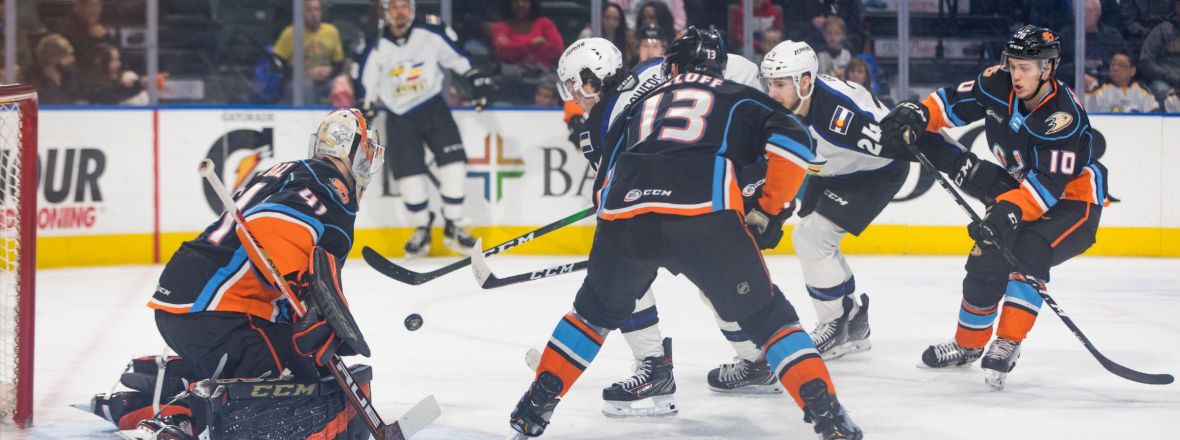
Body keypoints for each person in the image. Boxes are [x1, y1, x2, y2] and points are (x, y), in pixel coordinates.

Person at [510, 29, 862, 440]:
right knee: (770, 319)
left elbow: (604, 181)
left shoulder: (638, 105)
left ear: (672, 67)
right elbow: (794, 143)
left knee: (590, 317)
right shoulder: (738, 94)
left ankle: (534, 408)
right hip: (704, 219)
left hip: (626, 218)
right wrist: (769, 210)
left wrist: (619, 234)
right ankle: (826, 412)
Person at [558, 35, 779, 415]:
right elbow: (735, 70)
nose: (573, 96)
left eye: (573, 87)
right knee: (717, 280)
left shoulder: (597, 126)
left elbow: (617, 199)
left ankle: (653, 368)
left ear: (590, 80)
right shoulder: (654, 69)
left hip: (683, 198)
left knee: (626, 275)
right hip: (735, 176)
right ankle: (759, 360)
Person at [879, 25, 1108, 390]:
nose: (1016, 75)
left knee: (1029, 249)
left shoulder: (1063, 118)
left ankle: (1008, 341)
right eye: (1013, 64)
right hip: (1022, 188)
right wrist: (919, 114)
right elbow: (951, 103)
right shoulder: (997, 83)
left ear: (1047, 69)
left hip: (1074, 202)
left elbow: (1048, 188)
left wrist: (1007, 212)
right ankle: (968, 345)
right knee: (986, 255)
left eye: (1026, 68)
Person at [132, 108, 383, 437]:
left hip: (187, 300)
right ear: (354, 153)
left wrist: (307, 311)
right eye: (366, 155)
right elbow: (272, 226)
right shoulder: (332, 187)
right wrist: (310, 300)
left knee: (302, 362)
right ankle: (181, 418)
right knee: (298, 385)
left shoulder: (294, 170)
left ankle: (165, 384)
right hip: (219, 312)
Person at [360, 0, 492, 257]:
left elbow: (460, 60)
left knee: (454, 165)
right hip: (399, 116)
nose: (400, 12)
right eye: (395, 7)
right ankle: (421, 229)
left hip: (433, 107)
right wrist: (365, 105)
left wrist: (477, 80)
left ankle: (454, 225)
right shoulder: (375, 44)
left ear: (412, 9)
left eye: (405, 6)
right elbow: (366, 86)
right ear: (385, 12)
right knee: (409, 177)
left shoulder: (430, 33)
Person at [273, 0, 345, 104]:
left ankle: (343, 118)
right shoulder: (290, 33)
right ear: (301, 13)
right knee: (306, 86)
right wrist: (303, 74)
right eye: (309, 10)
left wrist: (329, 70)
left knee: (342, 83)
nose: (314, 14)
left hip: (326, 81)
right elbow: (277, 62)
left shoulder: (331, 31)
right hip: (299, 82)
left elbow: (339, 63)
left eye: (317, 9)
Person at [491, 0, 565, 70]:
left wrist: (516, 47)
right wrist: (531, 45)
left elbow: (557, 49)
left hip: (545, 75)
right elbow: (503, 51)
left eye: (525, 0)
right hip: (512, 77)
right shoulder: (500, 27)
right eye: (515, 1)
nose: (520, 4)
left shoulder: (544, 23)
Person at [1085, 52, 1159, 113]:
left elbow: (1154, 113)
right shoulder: (1099, 90)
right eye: (1113, 64)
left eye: (1121, 65)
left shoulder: (1142, 92)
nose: (1115, 68)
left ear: (1132, 71)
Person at [1139, 0, 1180, 100]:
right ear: (1177, 8)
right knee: (1161, 90)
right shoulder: (1162, 30)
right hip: (1166, 81)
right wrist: (1168, 75)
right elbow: (1144, 61)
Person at [82, 43, 148, 105]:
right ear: (99, 62)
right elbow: (109, 96)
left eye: (118, 59)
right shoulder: (90, 85)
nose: (118, 64)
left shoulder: (127, 77)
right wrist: (135, 85)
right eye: (112, 60)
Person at [30, 34, 83, 105]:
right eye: (66, 56)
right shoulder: (32, 84)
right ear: (51, 59)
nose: (72, 59)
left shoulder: (74, 77)